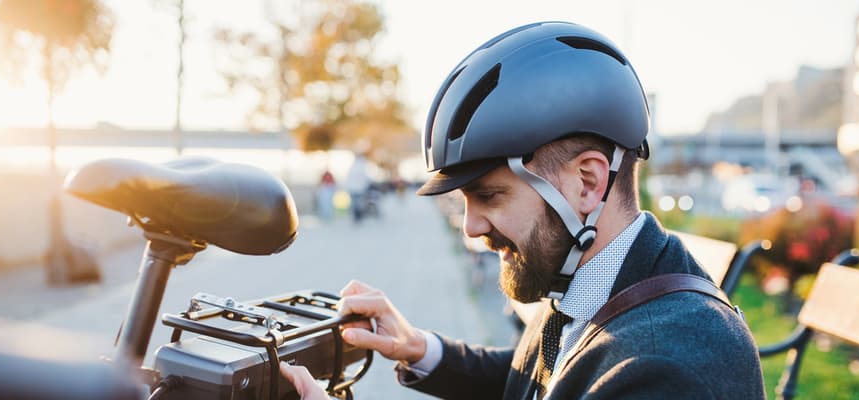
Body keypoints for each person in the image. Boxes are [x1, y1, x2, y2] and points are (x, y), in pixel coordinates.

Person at [283, 21, 766, 399]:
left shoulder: (669, 368)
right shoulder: (594, 283)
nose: (471, 228)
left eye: (490, 196)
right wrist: (418, 348)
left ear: (587, 182)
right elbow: (539, 381)